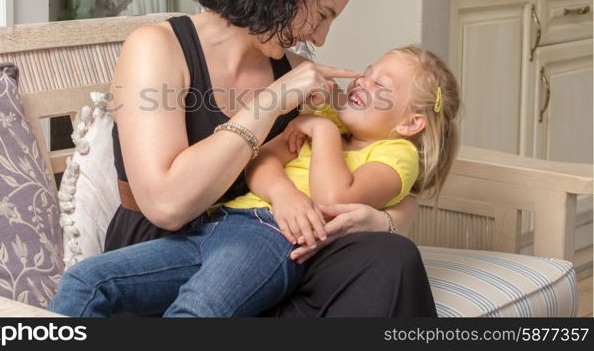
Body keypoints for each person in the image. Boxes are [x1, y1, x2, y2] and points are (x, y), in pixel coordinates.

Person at [50, 0, 438, 317]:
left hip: (267, 249)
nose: (321, 39)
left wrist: (387, 221)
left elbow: (378, 159)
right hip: (164, 247)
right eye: (322, 15)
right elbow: (167, 206)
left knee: (391, 258)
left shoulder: (294, 70)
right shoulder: (158, 48)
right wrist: (269, 102)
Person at [49, 47, 460, 317]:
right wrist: (282, 192)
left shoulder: (394, 155)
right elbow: (259, 160)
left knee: (197, 311)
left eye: (380, 86)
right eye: (367, 73)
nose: (362, 82)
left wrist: (323, 133)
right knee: (87, 282)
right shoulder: (325, 122)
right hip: (215, 225)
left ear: (410, 122)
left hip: (272, 241)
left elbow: (334, 197)